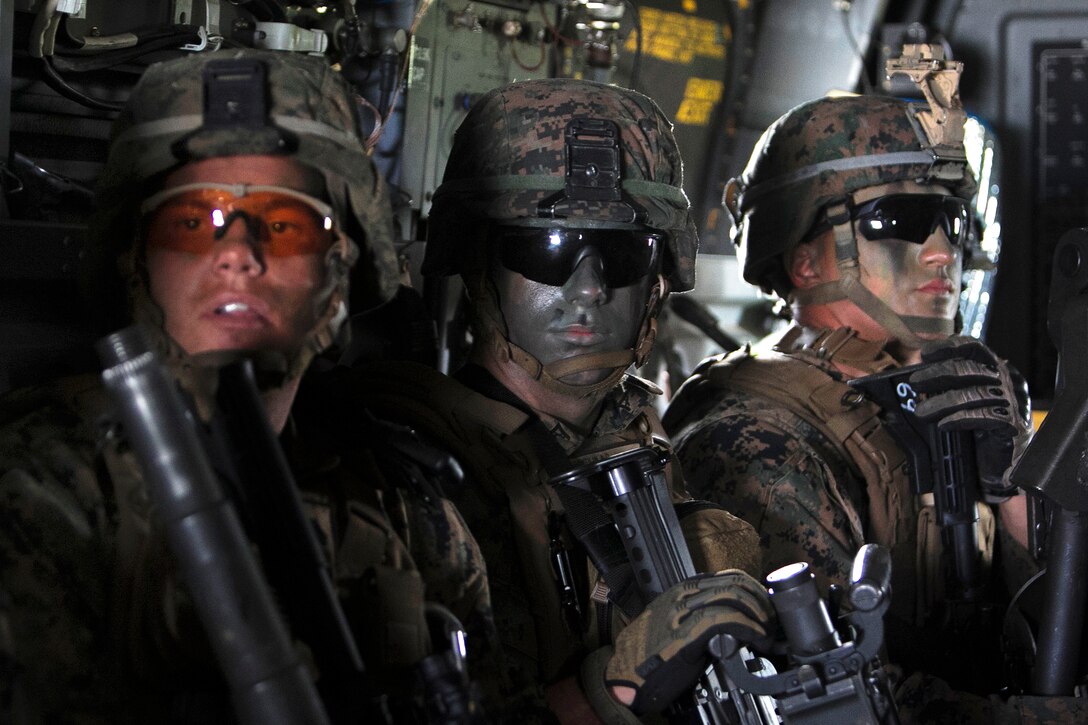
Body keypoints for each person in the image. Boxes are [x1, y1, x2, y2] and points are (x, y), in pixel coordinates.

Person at [0, 49, 488, 723]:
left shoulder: (410, 519)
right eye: (192, 222)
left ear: (338, 275)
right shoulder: (37, 494)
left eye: (286, 226)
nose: (237, 252)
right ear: (136, 263)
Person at [324, 78, 774, 722]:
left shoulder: (638, 446)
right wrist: (610, 691)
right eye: (547, 248)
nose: (588, 287)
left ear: (656, 281)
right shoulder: (403, 476)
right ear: (481, 265)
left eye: (621, 253)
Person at [662, 90, 1036, 696]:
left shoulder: (967, 393)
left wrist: (1016, 494)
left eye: (952, 222)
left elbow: (1056, 626)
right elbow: (843, 698)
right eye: (900, 223)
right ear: (807, 259)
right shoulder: (753, 438)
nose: (943, 252)